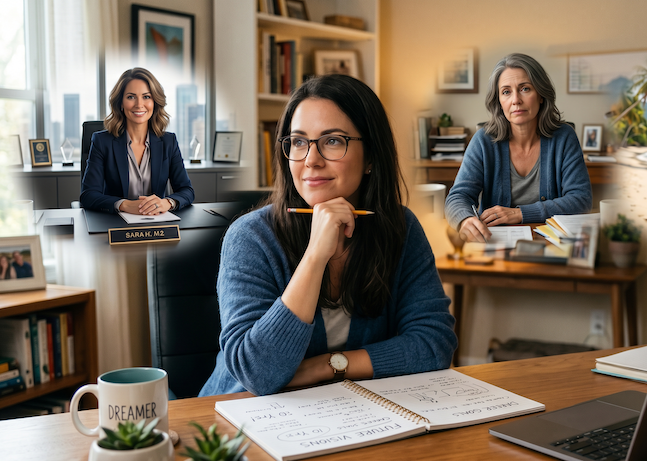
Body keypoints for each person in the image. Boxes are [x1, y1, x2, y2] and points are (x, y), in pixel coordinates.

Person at [199, 74, 457, 397]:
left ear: (371, 158)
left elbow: (435, 343)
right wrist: (315, 256)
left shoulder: (400, 228)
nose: (311, 160)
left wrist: (328, 366)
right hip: (239, 420)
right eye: (298, 142)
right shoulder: (250, 238)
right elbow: (258, 372)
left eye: (333, 141)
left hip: (349, 414)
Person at [445, 53, 592, 243]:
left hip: (549, 244)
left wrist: (520, 214)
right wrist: (465, 220)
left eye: (525, 89)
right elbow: (457, 197)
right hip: (494, 244)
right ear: (499, 100)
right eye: (506, 92)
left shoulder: (564, 137)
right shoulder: (483, 141)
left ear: (540, 95)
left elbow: (581, 199)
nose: (516, 100)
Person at [80, 67, 194, 215]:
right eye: (131, 97)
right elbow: (88, 195)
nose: (139, 104)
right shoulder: (102, 141)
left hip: (158, 224)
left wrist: (167, 203)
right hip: (115, 225)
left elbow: (187, 190)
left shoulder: (168, 141)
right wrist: (125, 205)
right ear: (120, 103)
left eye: (146, 97)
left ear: (155, 102)